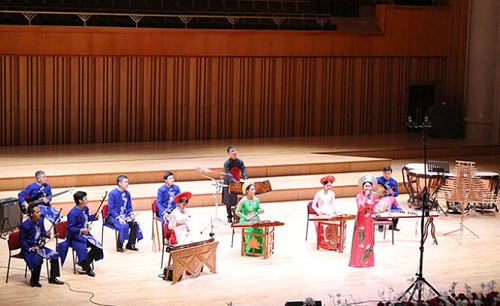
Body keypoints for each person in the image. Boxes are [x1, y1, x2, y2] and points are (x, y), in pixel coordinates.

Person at [58, 191, 103, 277]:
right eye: (85, 198)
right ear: (80, 201)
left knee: (98, 247)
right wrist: (81, 230)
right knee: (82, 250)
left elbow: (85, 219)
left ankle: (84, 263)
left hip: (86, 235)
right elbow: (70, 228)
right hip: (76, 237)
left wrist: (94, 216)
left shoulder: (85, 209)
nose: (87, 200)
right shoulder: (72, 213)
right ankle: (87, 268)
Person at [19, 203, 64, 287]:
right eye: (37, 212)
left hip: (39, 246)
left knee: (55, 255)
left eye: (39, 211)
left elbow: (42, 232)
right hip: (28, 249)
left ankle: (53, 278)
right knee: (38, 260)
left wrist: (46, 233)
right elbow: (22, 241)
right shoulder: (24, 226)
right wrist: (29, 248)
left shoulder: (40, 221)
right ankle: (34, 280)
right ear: (31, 214)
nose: (40, 213)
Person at [106, 175, 143, 252]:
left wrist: (131, 214)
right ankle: (119, 246)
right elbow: (111, 209)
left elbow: (129, 207)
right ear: (119, 183)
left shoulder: (127, 193)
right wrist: (119, 218)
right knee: (123, 225)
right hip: (113, 217)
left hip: (124, 215)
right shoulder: (112, 193)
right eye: (125, 182)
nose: (127, 183)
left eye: (127, 182)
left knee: (135, 224)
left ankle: (130, 244)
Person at [349, 174, 378, 268]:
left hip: (369, 220)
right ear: (363, 187)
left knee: (368, 240)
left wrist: (378, 210)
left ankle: (367, 262)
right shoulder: (359, 196)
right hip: (361, 220)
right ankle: (358, 262)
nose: (368, 187)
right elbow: (360, 207)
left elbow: (372, 208)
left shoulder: (372, 197)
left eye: (369, 186)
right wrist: (365, 197)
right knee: (360, 240)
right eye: (366, 186)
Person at [235, 180, 265, 255]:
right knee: (251, 230)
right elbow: (237, 211)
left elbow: (258, 208)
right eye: (252, 189)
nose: (254, 191)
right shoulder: (243, 201)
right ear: (247, 191)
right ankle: (250, 250)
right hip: (246, 219)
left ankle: (258, 250)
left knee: (260, 229)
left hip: (255, 218)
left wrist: (260, 210)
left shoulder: (256, 199)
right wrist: (245, 217)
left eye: (254, 189)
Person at [311, 175, 339, 249]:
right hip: (322, 212)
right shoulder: (319, 194)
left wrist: (335, 210)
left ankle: (334, 240)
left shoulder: (332, 193)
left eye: (330, 186)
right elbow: (313, 205)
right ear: (324, 185)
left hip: (330, 212)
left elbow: (333, 204)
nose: (329, 187)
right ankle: (326, 241)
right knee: (325, 225)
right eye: (327, 185)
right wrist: (319, 212)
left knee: (335, 224)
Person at [222, 146, 248, 223]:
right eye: (232, 151)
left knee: (237, 199)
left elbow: (243, 170)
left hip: (237, 181)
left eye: (235, 151)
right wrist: (233, 180)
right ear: (229, 153)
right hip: (229, 182)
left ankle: (238, 215)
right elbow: (228, 173)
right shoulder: (226, 163)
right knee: (228, 200)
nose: (234, 152)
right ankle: (229, 216)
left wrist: (245, 178)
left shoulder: (240, 162)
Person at [376, 166, 402, 231]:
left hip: (390, 200)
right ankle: (381, 226)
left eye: (388, 173)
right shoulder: (378, 180)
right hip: (381, 199)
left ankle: (393, 226)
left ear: (391, 173)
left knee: (398, 210)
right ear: (383, 173)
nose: (386, 175)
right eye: (385, 173)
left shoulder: (394, 182)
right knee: (381, 209)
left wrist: (392, 192)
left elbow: (396, 194)